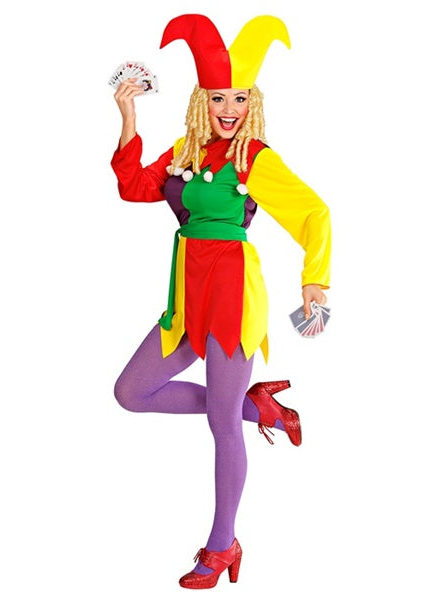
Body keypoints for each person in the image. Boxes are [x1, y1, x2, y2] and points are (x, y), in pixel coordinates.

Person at [110, 14, 331, 589]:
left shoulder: (253, 157)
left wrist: (315, 280)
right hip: (187, 296)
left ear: (251, 102)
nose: (228, 109)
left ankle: (222, 543)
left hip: (233, 296)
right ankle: (260, 409)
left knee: (219, 425)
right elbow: (135, 187)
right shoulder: (185, 149)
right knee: (131, 393)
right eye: (217, 98)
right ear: (200, 101)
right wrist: (129, 117)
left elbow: (313, 212)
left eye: (239, 98)